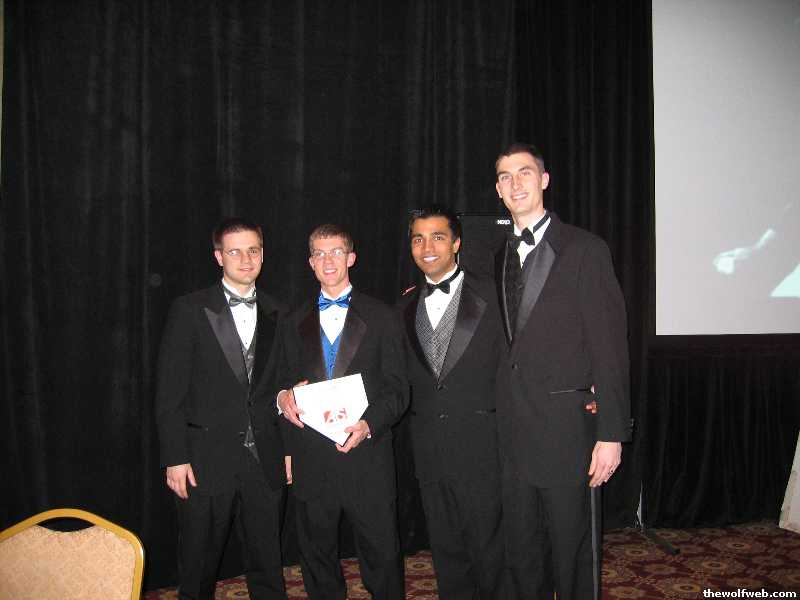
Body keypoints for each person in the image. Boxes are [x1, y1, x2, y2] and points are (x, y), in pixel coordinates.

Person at [493, 142, 631, 599]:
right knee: (523, 555)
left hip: (568, 434)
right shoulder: (496, 255)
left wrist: (611, 434)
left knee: (573, 555)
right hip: (513, 436)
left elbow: (610, 348)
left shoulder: (585, 249)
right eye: (506, 176)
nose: (515, 183)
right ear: (498, 189)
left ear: (544, 180)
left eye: (524, 173)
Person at [155, 218, 288, 600]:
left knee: (268, 562)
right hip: (205, 459)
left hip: (264, 457)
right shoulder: (189, 309)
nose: (246, 259)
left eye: (253, 250)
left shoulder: (278, 311)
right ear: (218, 257)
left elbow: (281, 388)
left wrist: (289, 450)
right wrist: (175, 457)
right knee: (198, 565)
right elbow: (169, 392)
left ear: (263, 254)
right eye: (235, 251)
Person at [276, 223, 407, 600]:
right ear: (310, 262)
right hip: (312, 459)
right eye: (319, 253)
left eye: (336, 251)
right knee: (316, 558)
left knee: (382, 558)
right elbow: (280, 384)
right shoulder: (291, 320)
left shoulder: (383, 316)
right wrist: (283, 399)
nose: (328, 260)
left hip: (368, 457)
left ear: (351, 258)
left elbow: (399, 390)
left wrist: (369, 424)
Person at [398, 205, 506, 598]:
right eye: (418, 239)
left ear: (457, 243)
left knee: (494, 555)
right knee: (447, 554)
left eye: (438, 237)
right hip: (430, 450)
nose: (427, 247)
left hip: (484, 446)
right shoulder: (404, 305)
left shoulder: (494, 294)